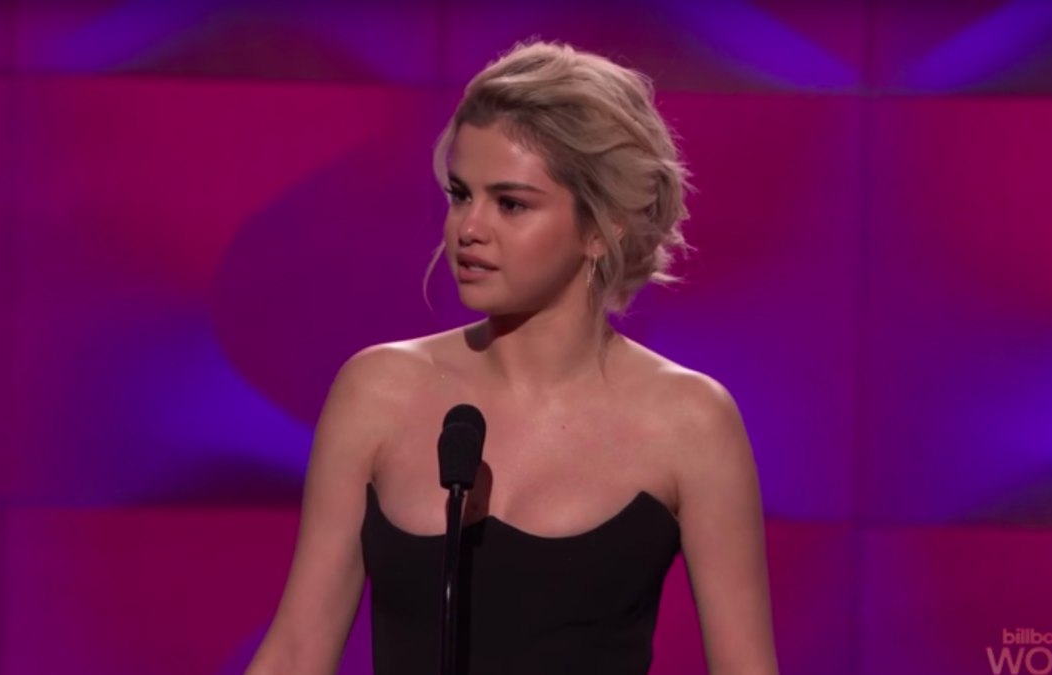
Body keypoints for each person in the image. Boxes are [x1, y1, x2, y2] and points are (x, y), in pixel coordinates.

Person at [244, 39, 779, 675]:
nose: (468, 229)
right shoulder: (377, 389)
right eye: (460, 194)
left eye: (511, 203)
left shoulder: (690, 420)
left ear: (600, 227)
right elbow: (298, 650)